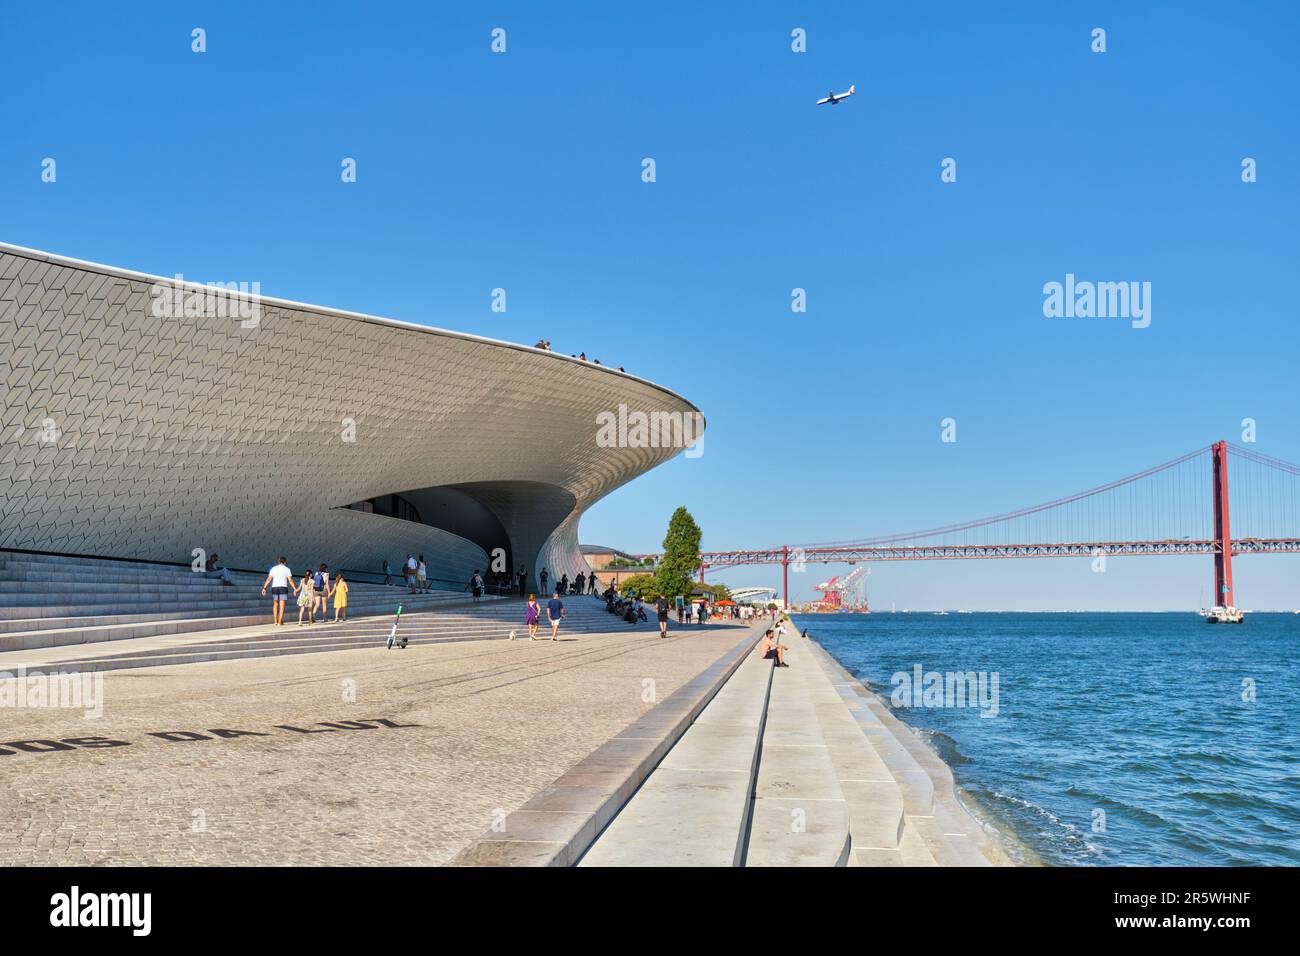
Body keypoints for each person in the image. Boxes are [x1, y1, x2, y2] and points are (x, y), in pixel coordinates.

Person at [260, 556, 296, 625]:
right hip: (283, 587)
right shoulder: (287, 569)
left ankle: (275, 621)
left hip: (275, 587)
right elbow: (290, 580)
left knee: (275, 604)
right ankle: (280, 621)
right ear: (285, 562)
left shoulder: (273, 569)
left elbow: (269, 579)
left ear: (278, 561)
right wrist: (295, 588)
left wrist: (264, 588)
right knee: (282, 605)